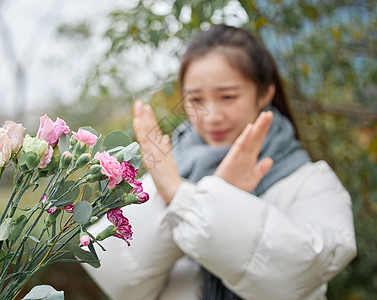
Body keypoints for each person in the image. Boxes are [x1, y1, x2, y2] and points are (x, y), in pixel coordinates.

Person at [82, 25, 357, 300]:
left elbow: (299, 273)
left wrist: (184, 199)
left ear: (264, 93)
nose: (211, 116)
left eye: (227, 96)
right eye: (196, 100)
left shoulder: (311, 182)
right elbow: (119, 279)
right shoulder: (168, 172)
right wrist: (185, 193)